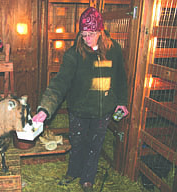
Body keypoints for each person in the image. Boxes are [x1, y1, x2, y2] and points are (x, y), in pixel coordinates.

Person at [32, 7, 129, 191]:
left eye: (91, 34)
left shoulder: (113, 49)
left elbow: (120, 78)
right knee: (77, 142)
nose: (87, 39)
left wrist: (122, 101)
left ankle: (87, 179)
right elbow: (59, 83)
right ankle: (73, 172)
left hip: (103, 110)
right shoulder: (73, 54)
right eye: (83, 34)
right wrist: (45, 109)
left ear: (100, 30)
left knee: (95, 144)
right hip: (79, 109)